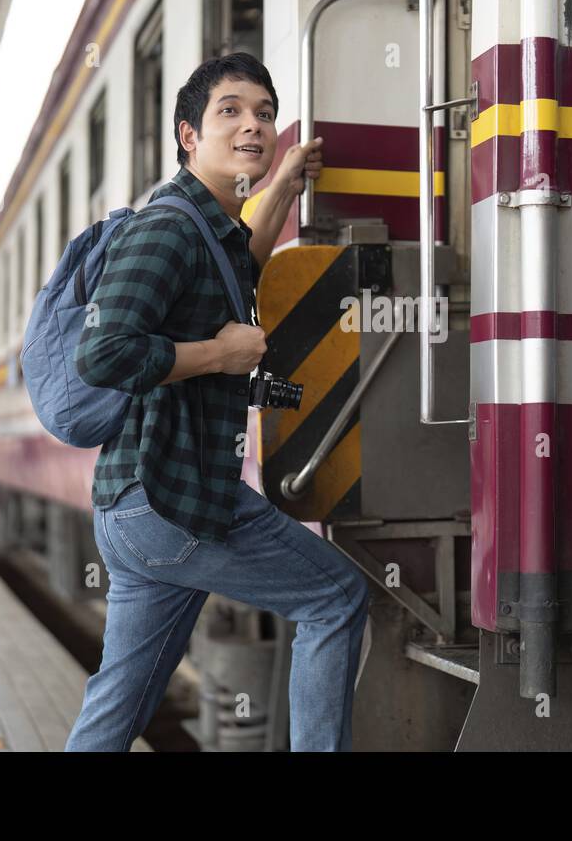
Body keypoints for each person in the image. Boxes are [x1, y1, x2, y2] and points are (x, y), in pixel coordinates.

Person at [64, 53, 370, 751]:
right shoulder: (167, 228)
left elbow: (237, 275)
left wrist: (285, 188)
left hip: (137, 508)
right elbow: (103, 352)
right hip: (176, 503)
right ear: (188, 135)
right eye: (229, 111)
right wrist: (219, 356)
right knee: (335, 598)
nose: (253, 125)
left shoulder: (213, 228)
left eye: (264, 112)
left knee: (118, 709)